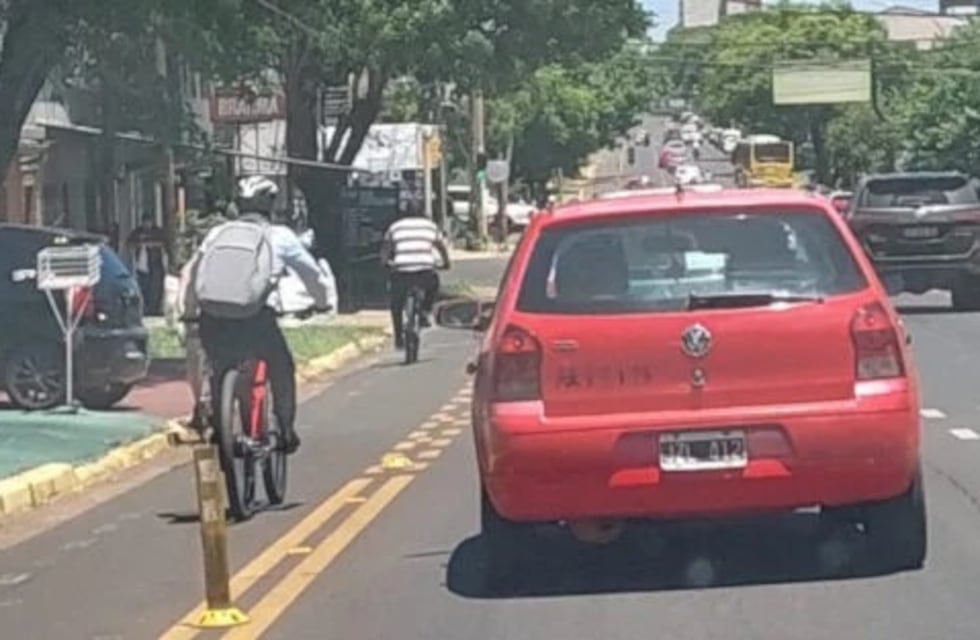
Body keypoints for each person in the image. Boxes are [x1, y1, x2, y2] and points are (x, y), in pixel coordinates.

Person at [182, 176, 334, 454]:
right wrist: (323, 303)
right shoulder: (281, 236)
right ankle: (286, 429)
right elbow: (312, 275)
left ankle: (220, 426)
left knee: (219, 368)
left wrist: (190, 313)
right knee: (281, 367)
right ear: (271, 206)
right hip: (255, 318)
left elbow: (194, 274)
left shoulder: (217, 234)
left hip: (213, 316)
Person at [380, 203, 451, 349]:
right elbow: (441, 246)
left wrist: (385, 263)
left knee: (396, 304)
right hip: (425, 269)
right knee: (434, 286)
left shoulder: (395, 227)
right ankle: (425, 311)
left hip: (401, 270)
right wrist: (446, 263)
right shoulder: (430, 226)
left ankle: (398, 336)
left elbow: (386, 249)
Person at [127, 214, 168, 315]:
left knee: (156, 288)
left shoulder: (157, 232)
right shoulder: (137, 232)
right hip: (141, 265)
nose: (147, 224)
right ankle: (145, 308)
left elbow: (164, 244)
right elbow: (129, 243)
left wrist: (150, 245)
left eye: (149, 222)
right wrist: (138, 246)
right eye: (145, 222)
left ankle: (155, 309)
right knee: (143, 287)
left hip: (155, 264)